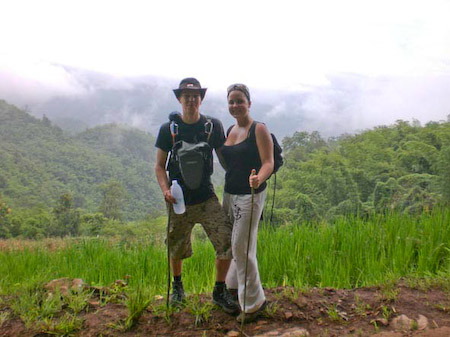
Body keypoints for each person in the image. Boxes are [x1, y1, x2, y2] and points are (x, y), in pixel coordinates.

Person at [154, 77, 239, 314]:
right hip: (179, 198)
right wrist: (165, 190)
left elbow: (224, 159)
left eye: (195, 96)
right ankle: (178, 288)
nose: (191, 100)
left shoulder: (212, 126)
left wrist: (246, 172)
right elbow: (159, 166)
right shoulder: (168, 129)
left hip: (206, 196)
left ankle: (219, 291)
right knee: (176, 244)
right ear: (180, 99)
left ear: (200, 99)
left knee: (225, 240)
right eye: (186, 96)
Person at [222, 83, 274, 323]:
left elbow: (268, 162)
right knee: (239, 244)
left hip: (250, 195)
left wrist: (258, 178)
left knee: (241, 248)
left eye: (239, 100)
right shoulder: (231, 130)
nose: (235, 105)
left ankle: (254, 304)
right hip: (230, 194)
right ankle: (233, 287)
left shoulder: (259, 129)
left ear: (249, 103)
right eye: (231, 101)